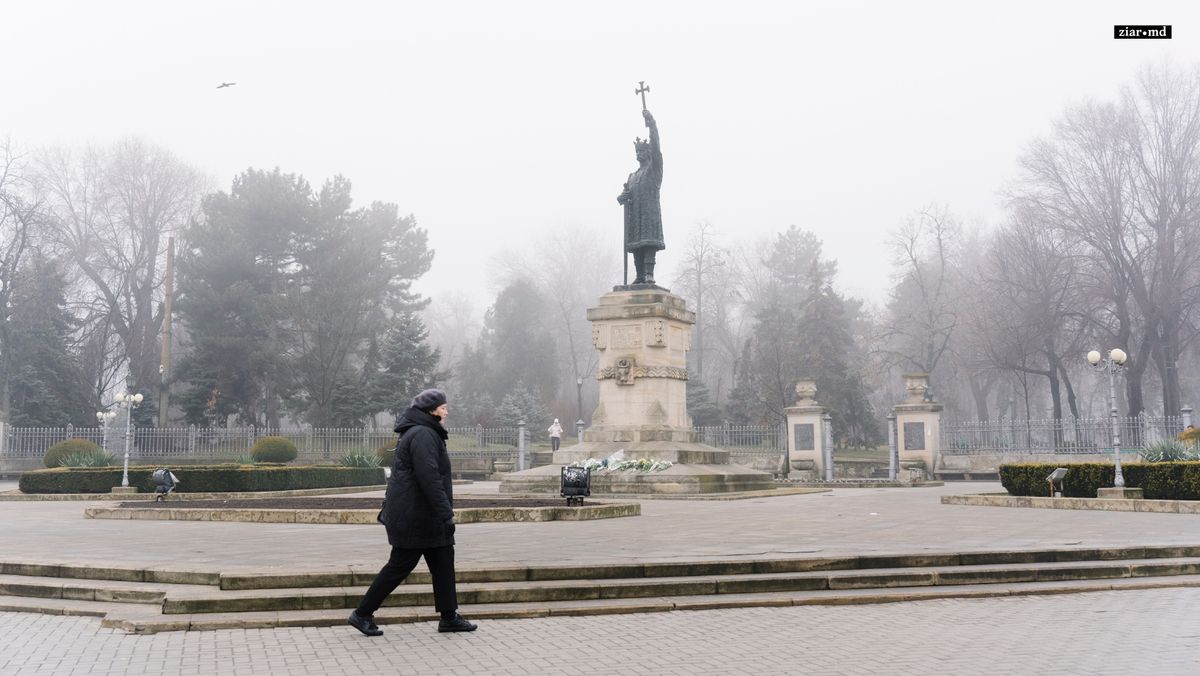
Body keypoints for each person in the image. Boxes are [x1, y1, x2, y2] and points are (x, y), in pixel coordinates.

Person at [348, 388, 477, 637]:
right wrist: (446, 513)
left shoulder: (424, 432)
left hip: (424, 516)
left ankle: (449, 617)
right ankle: (362, 614)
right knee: (399, 566)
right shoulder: (423, 435)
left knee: (443, 562)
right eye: (443, 408)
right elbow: (429, 478)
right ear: (431, 411)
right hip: (415, 517)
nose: (446, 411)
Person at [617, 108, 664, 285]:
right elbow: (626, 195)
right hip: (635, 217)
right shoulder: (632, 176)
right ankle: (640, 276)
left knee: (648, 243)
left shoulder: (654, 170)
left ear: (649, 153)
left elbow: (656, 145)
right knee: (636, 244)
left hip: (649, 216)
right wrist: (623, 197)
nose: (639, 154)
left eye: (642, 151)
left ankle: (649, 274)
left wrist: (651, 123)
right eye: (637, 152)